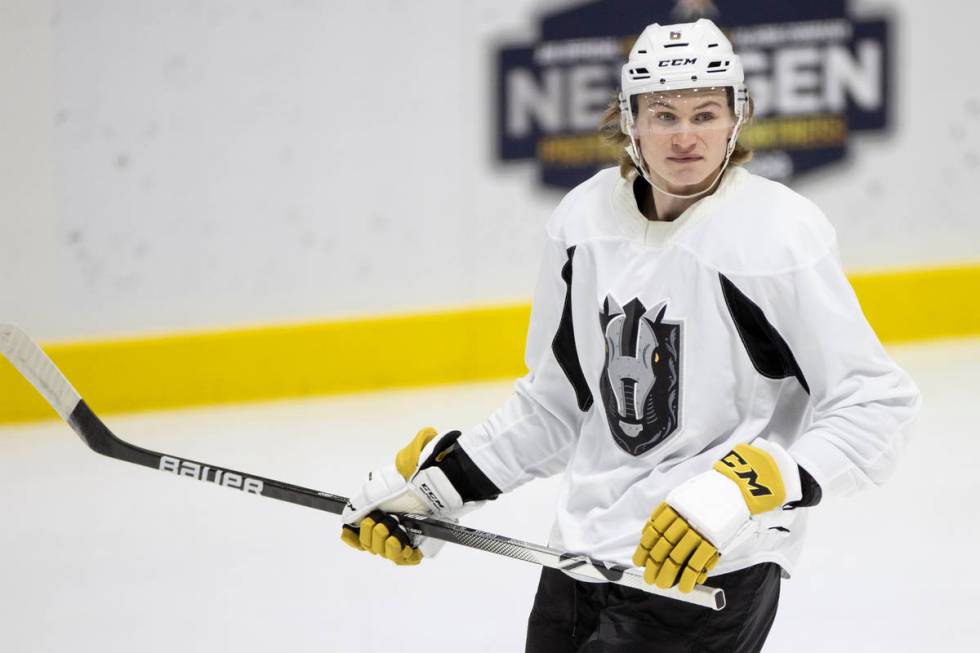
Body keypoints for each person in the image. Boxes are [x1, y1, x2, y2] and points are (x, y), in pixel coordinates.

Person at [339, 18, 920, 653]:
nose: (686, 137)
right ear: (630, 121)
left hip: (706, 571)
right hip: (577, 561)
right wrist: (440, 488)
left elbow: (874, 406)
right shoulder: (584, 222)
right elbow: (557, 406)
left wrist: (748, 485)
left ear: (738, 116)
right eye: (664, 115)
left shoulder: (776, 237)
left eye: (706, 113)